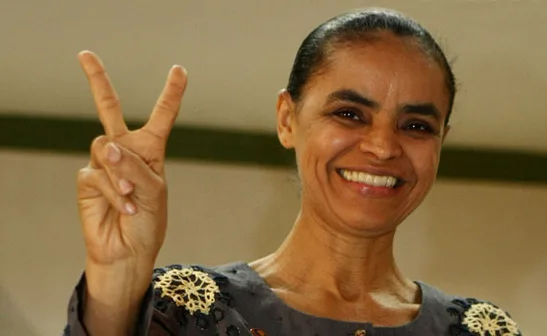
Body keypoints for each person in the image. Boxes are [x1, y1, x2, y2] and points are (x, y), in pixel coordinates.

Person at [63, 7, 522, 336]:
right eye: (349, 114)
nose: (383, 147)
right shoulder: (187, 310)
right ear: (287, 119)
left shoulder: (480, 331)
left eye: (416, 125)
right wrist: (117, 281)